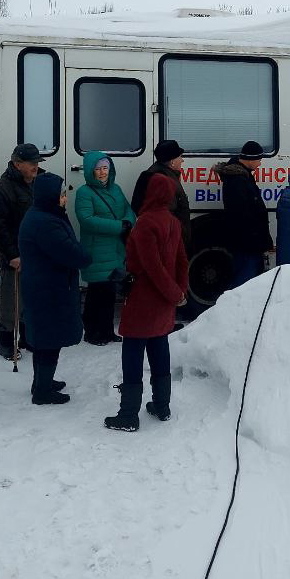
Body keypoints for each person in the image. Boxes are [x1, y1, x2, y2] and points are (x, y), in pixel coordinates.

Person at [105, 174, 189, 432]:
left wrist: (171, 292)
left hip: (144, 296)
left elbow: (152, 267)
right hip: (164, 301)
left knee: (132, 349)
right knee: (159, 345)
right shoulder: (173, 222)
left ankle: (128, 414)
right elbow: (181, 262)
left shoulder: (145, 224)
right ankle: (161, 406)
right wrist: (178, 292)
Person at [18, 173, 92, 405]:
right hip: (48, 290)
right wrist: (86, 256)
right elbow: (72, 254)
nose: (64, 199)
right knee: (49, 340)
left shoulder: (42, 215)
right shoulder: (46, 222)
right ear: (49, 196)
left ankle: (42, 382)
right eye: (61, 194)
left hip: (44, 286)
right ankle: (42, 391)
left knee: (44, 339)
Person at [0, 143, 46, 360]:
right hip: (15, 255)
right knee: (11, 301)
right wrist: (11, 255)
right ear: (17, 164)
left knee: (33, 298)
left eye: (38, 162)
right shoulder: (1, 189)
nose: (36, 166)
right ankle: (6, 343)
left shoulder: (40, 184)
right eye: (32, 163)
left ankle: (28, 338)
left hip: (38, 253)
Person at [74, 151, 136, 345]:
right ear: (90, 171)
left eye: (105, 168)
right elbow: (87, 220)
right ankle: (93, 333)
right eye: (98, 169)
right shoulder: (84, 192)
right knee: (97, 294)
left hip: (115, 248)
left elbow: (129, 210)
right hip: (97, 249)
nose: (102, 173)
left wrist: (128, 221)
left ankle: (107, 332)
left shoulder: (115, 189)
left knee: (109, 293)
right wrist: (120, 226)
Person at [213, 140, 273, 289]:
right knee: (244, 281)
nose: (260, 163)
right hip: (247, 242)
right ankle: (237, 308)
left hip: (246, 241)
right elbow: (245, 215)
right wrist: (258, 239)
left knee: (245, 277)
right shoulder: (238, 180)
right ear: (250, 159)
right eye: (259, 159)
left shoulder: (240, 176)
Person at [131, 139, 190, 248]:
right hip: (166, 242)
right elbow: (165, 214)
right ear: (172, 161)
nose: (182, 160)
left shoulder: (161, 174)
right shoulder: (162, 180)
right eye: (180, 157)